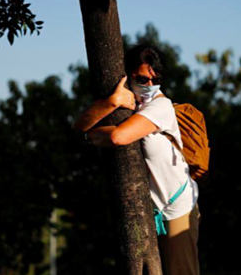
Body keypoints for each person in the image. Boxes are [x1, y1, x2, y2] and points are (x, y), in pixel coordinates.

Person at [71, 44, 200, 275]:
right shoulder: (129, 105)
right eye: (142, 79)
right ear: (128, 75)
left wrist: (91, 135)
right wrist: (112, 102)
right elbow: (77, 125)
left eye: (156, 79)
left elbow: (118, 137)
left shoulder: (161, 105)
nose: (150, 85)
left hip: (178, 210)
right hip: (151, 213)